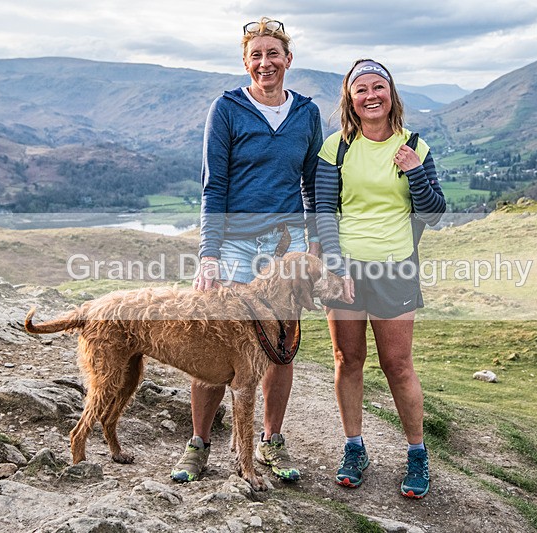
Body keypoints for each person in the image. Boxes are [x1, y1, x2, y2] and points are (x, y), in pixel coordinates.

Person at [170, 17, 323, 484]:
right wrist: (208, 254)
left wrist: (314, 244)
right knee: (218, 342)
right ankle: (199, 444)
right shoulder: (228, 108)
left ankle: (270, 443)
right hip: (234, 246)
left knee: (281, 349)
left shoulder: (307, 113)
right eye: (255, 55)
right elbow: (213, 187)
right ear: (245, 61)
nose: (265, 63)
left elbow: (313, 183)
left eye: (273, 53)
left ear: (288, 59)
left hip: (287, 247)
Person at [315, 59, 446, 498]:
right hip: (346, 270)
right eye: (361, 89)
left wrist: (413, 169)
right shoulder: (335, 148)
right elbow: (324, 212)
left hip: (396, 268)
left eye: (379, 87)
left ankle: (417, 453)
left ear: (391, 94)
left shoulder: (415, 146)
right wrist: (334, 265)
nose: (371, 96)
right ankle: (354, 448)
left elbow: (434, 213)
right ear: (350, 99)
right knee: (347, 360)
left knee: (398, 365)